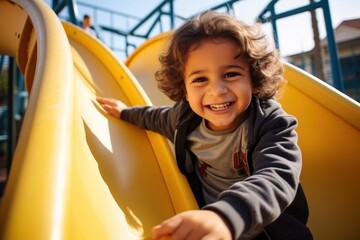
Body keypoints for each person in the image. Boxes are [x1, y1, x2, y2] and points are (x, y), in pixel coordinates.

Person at [96, 11, 313, 240]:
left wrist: (226, 216)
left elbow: (277, 176)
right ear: (185, 90)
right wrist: (125, 112)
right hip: (210, 221)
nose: (217, 91)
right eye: (200, 79)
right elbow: (154, 117)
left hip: (266, 230)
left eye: (230, 74)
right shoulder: (183, 120)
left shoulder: (272, 124)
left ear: (254, 79)